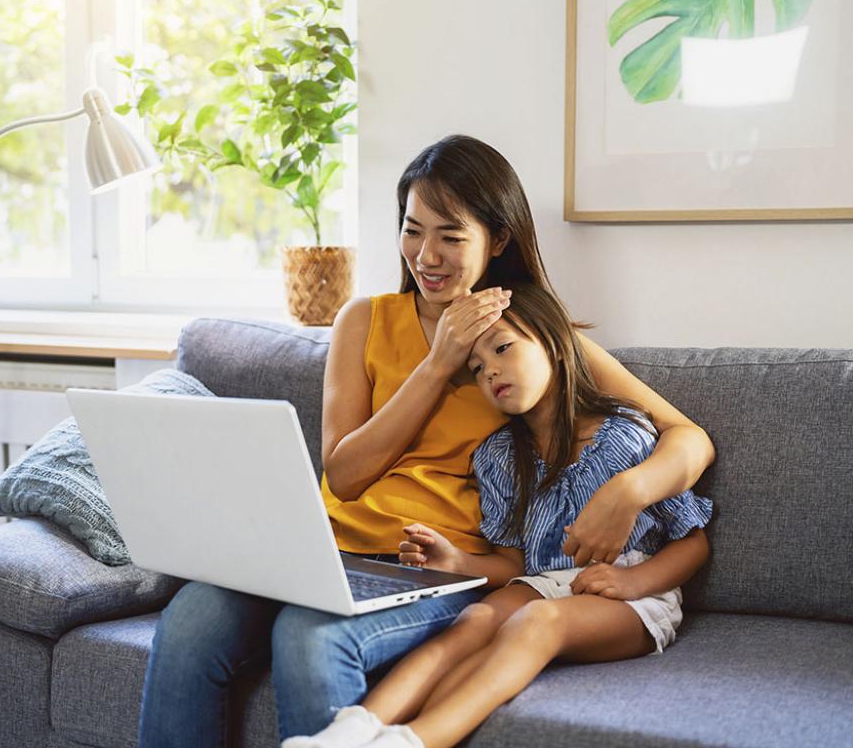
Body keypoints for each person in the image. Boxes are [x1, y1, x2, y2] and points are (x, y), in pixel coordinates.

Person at [137, 135, 716, 745]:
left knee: (310, 640)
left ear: (497, 241)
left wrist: (628, 490)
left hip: (433, 569)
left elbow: (688, 437)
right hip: (318, 550)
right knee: (191, 623)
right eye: (413, 231)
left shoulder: (526, 341)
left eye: (451, 236)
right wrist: (437, 364)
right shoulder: (363, 321)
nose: (426, 255)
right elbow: (346, 474)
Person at [284, 284, 713, 748]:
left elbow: (693, 542)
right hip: (542, 583)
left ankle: (411, 741)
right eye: (477, 368)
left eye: (503, 349)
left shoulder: (626, 435)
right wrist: (456, 562)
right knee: (475, 622)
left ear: (555, 344)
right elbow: (511, 565)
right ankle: (354, 730)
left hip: (634, 596)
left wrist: (634, 583)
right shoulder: (501, 458)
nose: (491, 371)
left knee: (536, 622)